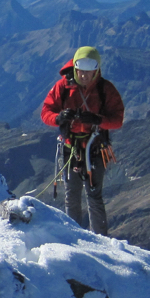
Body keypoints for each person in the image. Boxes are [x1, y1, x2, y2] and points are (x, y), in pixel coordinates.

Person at [40, 45, 125, 235]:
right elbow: (46, 112)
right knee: (72, 195)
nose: (84, 76)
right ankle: (75, 240)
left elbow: (117, 119)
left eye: (89, 72)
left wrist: (98, 120)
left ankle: (99, 240)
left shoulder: (105, 90)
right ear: (75, 68)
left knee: (93, 196)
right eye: (81, 71)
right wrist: (58, 118)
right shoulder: (63, 87)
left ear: (96, 70)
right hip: (72, 148)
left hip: (94, 148)